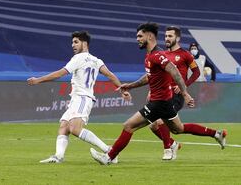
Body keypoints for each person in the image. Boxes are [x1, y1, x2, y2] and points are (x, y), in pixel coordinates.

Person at [90, 22, 227, 165]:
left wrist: (185, 94)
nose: (137, 39)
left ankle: (109, 157)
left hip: (158, 103)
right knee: (178, 129)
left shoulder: (157, 55)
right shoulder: (151, 55)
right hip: (165, 102)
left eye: (140, 36)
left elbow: (175, 72)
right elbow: (149, 76)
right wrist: (130, 86)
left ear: (149, 36)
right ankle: (216, 134)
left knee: (128, 126)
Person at [27, 31, 131, 163]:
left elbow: (60, 74)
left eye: (76, 42)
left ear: (84, 43)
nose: (73, 45)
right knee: (64, 126)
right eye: (72, 42)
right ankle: (58, 156)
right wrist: (122, 90)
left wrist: (38, 80)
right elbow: (110, 75)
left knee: (75, 129)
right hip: (77, 98)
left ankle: (110, 152)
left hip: (82, 98)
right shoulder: (96, 60)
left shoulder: (78, 58)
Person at [149, 26, 200, 160]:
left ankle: (168, 150)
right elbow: (157, 75)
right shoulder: (163, 55)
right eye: (165, 36)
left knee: (160, 120)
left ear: (177, 38)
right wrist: (151, 90)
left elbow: (197, 72)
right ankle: (173, 144)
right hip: (162, 93)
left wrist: (184, 86)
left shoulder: (186, 54)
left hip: (176, 96)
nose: (167, 38)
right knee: (153, 125)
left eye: (170, 36)